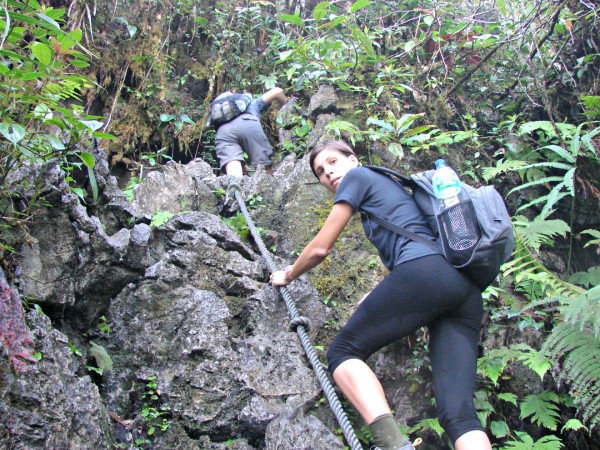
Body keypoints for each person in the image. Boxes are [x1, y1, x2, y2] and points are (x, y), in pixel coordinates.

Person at [270, 141, 493, 450]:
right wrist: (381, 293)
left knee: (342, 353)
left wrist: (288, 274)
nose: (328, 172)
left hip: (426, 275)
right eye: (320, 171)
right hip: (464, 288)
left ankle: (392, 444)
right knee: (460, 415)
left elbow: (321, 247)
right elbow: (417, 245)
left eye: (333, 162)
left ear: (354, 160)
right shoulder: (393, 186)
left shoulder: (357, 177)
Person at [213, 87, 288, 178]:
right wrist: (286, 110)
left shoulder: (221, 116)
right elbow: (277, 91)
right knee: (264, 171)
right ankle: (267, 188)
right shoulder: (253, 104)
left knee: (234, 178)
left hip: (223, 132)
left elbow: (233, 134)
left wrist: (241, 165)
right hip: (248, 122)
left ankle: (235, 189)